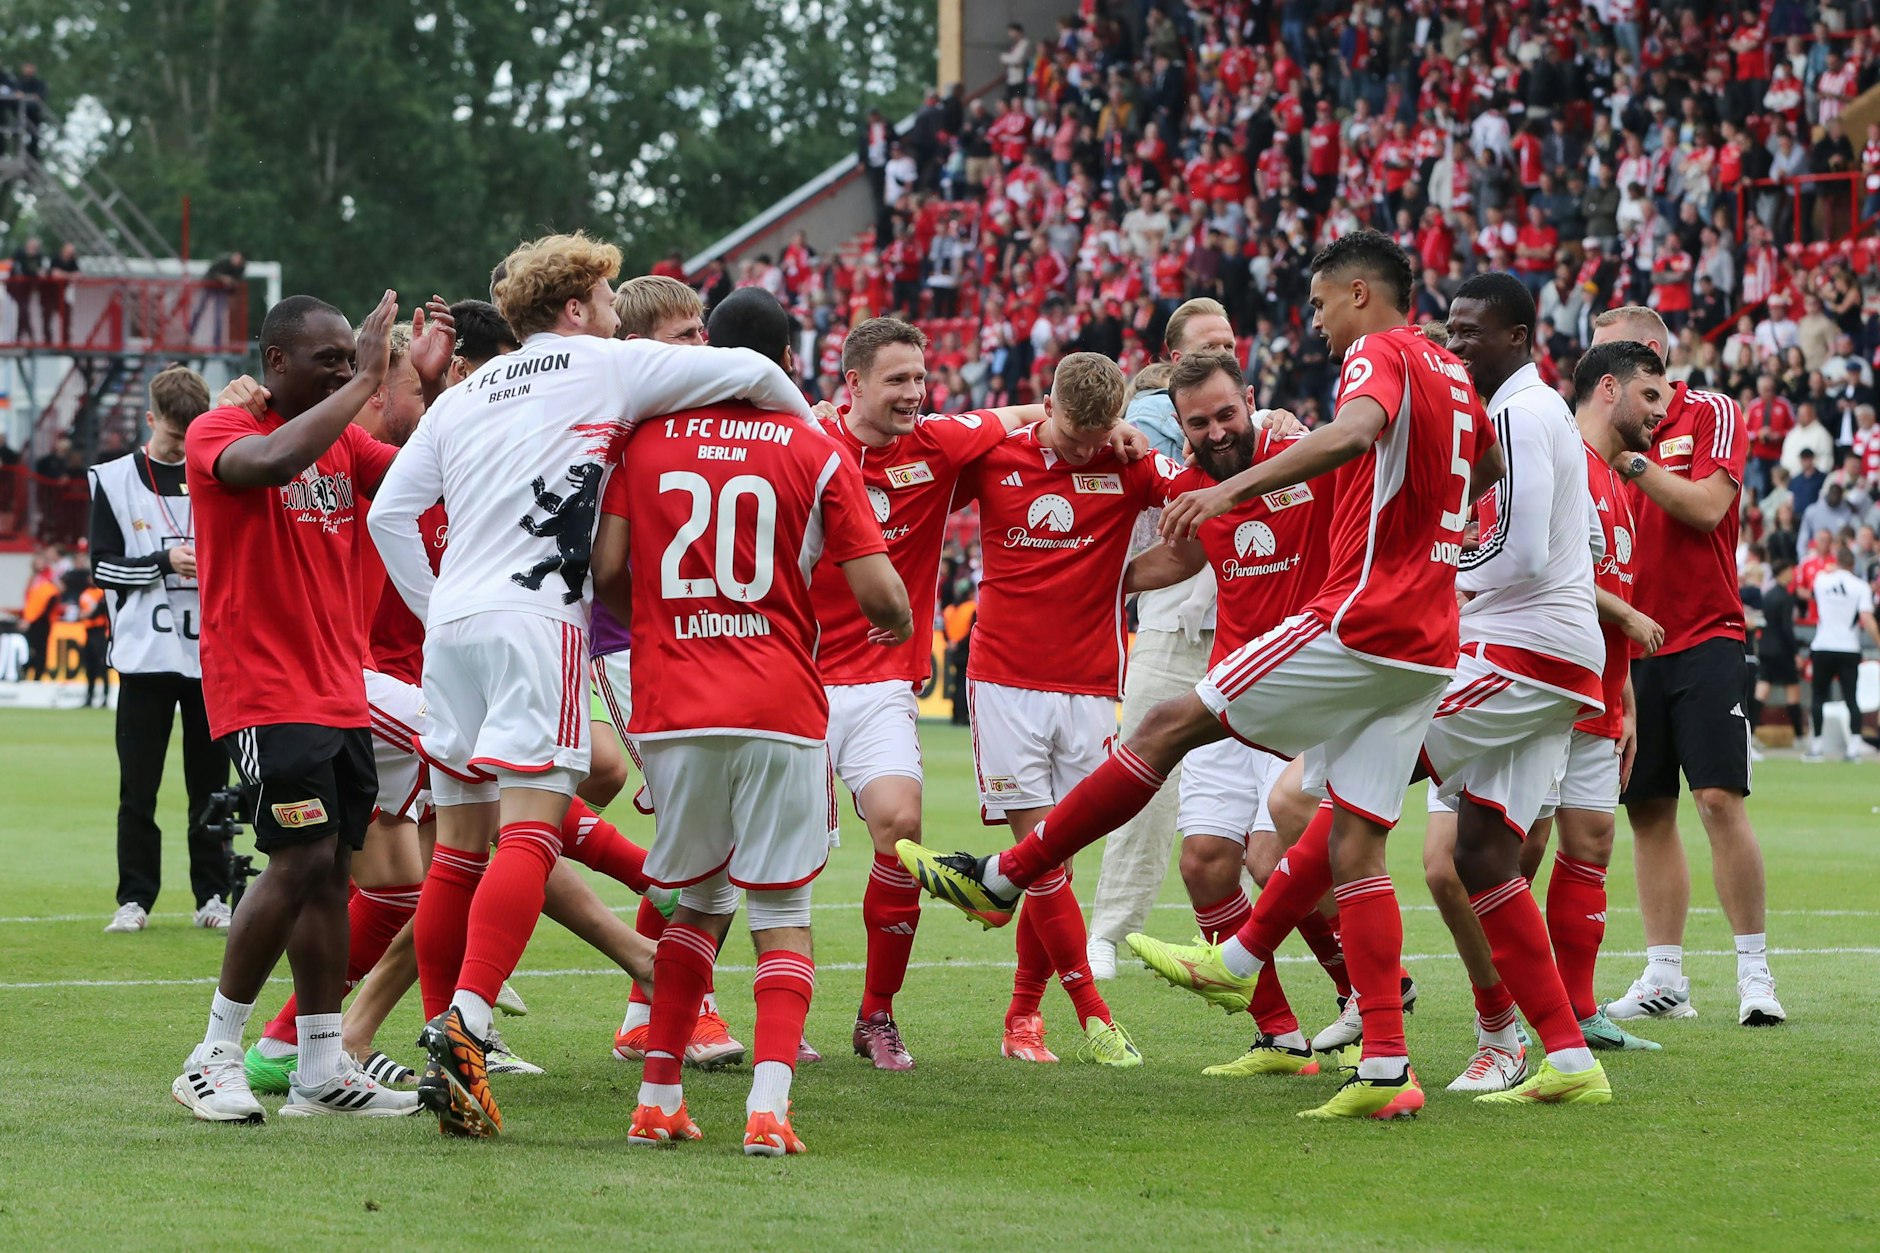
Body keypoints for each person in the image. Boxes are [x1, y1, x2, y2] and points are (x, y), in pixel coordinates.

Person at [901, 230, 1502, 1120]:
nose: (1321, 323)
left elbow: (1358, 430)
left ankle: (1006, 878)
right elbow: (1483, 467)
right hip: (1424, 638)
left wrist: (1239, 489)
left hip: (1358, 619)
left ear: (1361, 293)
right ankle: (1385, 1067)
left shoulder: (1378, 353)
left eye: (1324, 304)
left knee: (1163, 727)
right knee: (1353, 849)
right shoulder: (1452, 376)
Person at [368, 232, 813, 1139]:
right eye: (609, 296)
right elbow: (757, 376)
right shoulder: (606, 363)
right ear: (577, 308)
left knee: (458, 849)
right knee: (531, 829)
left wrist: (438, 602)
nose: (617, 312)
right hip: (539, 619)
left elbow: (391, 513)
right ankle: (471, 1024)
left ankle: (441, 1037)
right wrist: (809, 448)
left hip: (453, 630)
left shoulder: (462, 393)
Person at [592, 286, 912, 1155]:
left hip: (671, 701)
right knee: (783, 908)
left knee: (694, 902)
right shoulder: (812, 445)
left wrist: (667, 617)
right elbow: (880, 590)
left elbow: (608, 570)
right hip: (776, 699)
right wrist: (902, 619)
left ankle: (658, 1096)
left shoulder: (644, 440)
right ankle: (769, 1108)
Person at [805, 316, 1135, 1069]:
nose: (914, 394)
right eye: (897, 380)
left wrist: (1115, 429)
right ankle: (736, 1006)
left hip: (886, 680)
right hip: (799, 676)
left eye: (921, 379)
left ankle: (876, 1016)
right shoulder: (808, 441)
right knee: (784, 853)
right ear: (851, 384)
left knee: (902, 823)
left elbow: (1027, 416)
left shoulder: (944, 443)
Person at [170, 289, 420, 1123]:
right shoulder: (222, 431)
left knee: (329, 874)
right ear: (276, 363)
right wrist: (371, 381)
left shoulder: (347, 443)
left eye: (353, 362)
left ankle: (320, 1066)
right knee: (298, 858)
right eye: (332, 362)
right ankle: (212, 1054)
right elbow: (270, 464)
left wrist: (455, 386)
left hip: (339, 691)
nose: (348, 375)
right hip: (266, 692)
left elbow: (420, 469)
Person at [1113, 348, 1341, 1077]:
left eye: (1226, 414)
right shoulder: (1192, 484)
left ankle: (1367, 1000)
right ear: (1181, 428)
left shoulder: (1304, 453)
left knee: (1274, 858)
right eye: (1198, 423)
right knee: (1205, 863)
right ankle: (1278, 1035)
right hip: (1230, 688)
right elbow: (1180, 556)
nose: (1216, 432)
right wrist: (1085, 578)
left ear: (1251, 399)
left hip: (1305, 688)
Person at [952, 351, 1184, 1068]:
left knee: (1052, 859)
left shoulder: (1130, 461)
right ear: (1046, 403)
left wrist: (1116, 577)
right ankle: (1090, 1015)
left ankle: (1022, 1013)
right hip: (1005, 680)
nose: (1085, 451)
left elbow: (1204, 522)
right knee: (1044, 860)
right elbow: (919, 471)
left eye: (1097, 437)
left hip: (1089, 683)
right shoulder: (994, 457)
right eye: (1072, 435)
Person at [1589, 305, 1784, 1028]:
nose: (1597, 377)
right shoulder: (1592, 436)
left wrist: (1630, 462)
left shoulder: (1709, 412)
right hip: (1628, 643)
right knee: (1647, 811)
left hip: (1705, 632)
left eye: (1609, 360)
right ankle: (1664, 975)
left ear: (1651, 356)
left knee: (1717, 799)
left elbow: (1706, 509)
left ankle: (1755, 973)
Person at [602, 274, 752, 1072]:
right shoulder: (624, 423)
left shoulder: (707, 415)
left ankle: (645, 1008)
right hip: (634, 645)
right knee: (706, 833)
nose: (704, 345)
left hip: (698, 642)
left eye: (703, 331)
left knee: (703, 830)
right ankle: (688, 1004)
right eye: (684, 336)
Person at [1084, 299, 1233, 979]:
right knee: (1138, 777)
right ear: (1174, 360)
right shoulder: (1149, 420)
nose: (1222, 350)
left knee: (1261, 799)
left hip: (1243, 629)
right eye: (1208, 343)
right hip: (1174, 624)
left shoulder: (1244, 420)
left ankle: (1238, 938)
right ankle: (1109, 932)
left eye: (1229, 341)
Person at [88, 366, 233, 934]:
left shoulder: (218, 473)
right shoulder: (114, 479)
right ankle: (135, 898)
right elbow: (100, 566)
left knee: (211, 788)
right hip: (144, 659)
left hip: (210, 660)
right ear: (151, 421)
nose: (183, 446)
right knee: (138, 788)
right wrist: (162, 562)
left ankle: (213, 896)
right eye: (174, 437)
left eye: (191, 434)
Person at [1801, 545, 1879, 762]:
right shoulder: (1860, 586)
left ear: (1836, 561)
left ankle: (1816, 747)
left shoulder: (1821, 580)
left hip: (1823, 645)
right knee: (1851, 697)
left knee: (1818, 696)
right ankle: (1853, 747)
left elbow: (1811, 594)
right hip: (1848, 647)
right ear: (1853, 564)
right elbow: (1866, 618)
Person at [1755, 560, 1805, 742]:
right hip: (1782, 650)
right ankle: (1800, 736)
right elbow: (1786, 627)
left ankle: (1750, 733)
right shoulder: (1785, 597)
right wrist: (1795, 652)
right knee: (1793, 691)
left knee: (1762, 689)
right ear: (1782, 572)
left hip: (1766, 647)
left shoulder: (1768, 595)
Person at [8, 237, 45, 342]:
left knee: (23, 311)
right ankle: (29, 335)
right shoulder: (20, 254)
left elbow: (37, 271)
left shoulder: (37, 257)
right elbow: (25, 269)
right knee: (23, 310)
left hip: (26, 288)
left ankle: (20, 336)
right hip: (16, 288)